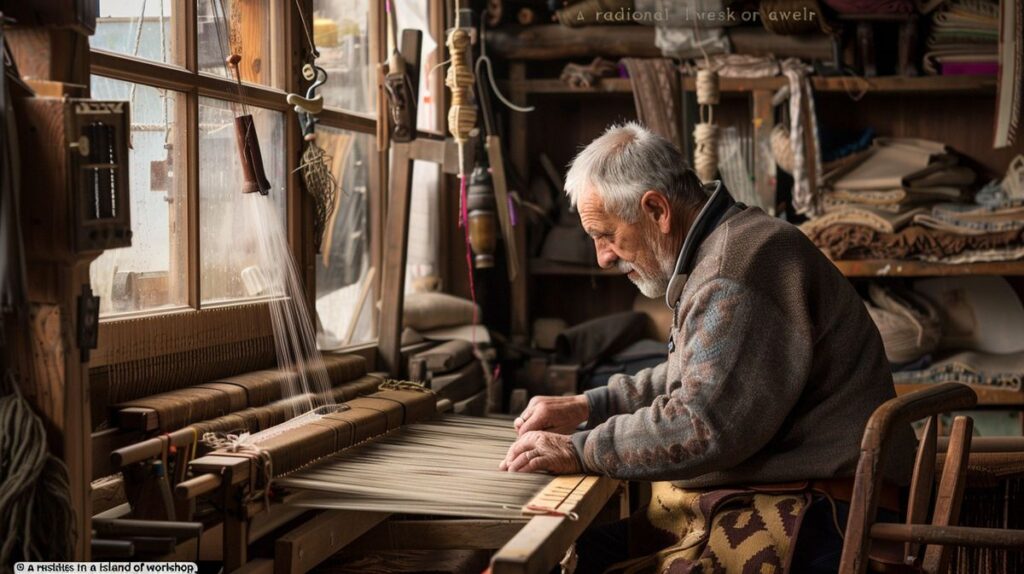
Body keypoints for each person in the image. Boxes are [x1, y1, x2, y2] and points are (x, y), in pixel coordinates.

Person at [499, 122, 916, 573]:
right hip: (784, 497)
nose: (603, 256)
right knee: (585, 554)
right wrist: (588, 404)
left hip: (817, 516)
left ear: (657, 209)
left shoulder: (735, 269)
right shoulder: (726, 247)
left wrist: (581, 449)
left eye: (606, 235)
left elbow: (703, 424)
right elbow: (695, 372)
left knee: (581, 563)